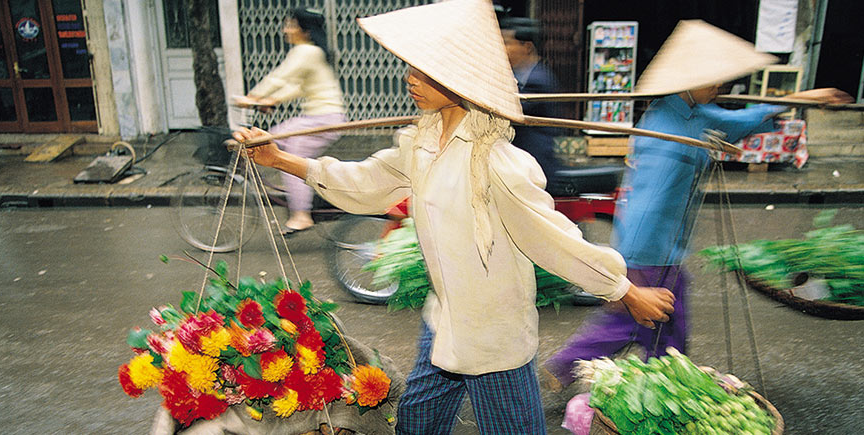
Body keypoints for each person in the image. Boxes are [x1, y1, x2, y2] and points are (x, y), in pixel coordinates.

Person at [235, 1, 675, 433]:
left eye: (425, 72)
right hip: (442, 320)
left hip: (492, 335)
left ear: (458, 80)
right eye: (411, 68)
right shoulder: (421, 143)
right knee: (417, 423)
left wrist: (623, 289)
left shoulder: (496, 161)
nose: (411, 79)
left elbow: (552, 238)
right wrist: (280, 159)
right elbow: (366, 181)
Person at [543, 19, 853, 390]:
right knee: (652, 320)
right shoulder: (677, 121)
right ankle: (635, 375)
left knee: (651, 322)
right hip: (650, 244)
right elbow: (655, 193)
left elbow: (741, 120)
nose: (718, 86)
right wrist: (628, 268)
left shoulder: (680, 114)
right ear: (688, 81)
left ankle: (646, 377)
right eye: (712, 79)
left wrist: (804, 99)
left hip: (655, 242)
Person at [234, 7, 346, 233]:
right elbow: (296, 86)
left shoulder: (306, 52)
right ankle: (303, 197)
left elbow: (280, 76)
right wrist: (271, 101)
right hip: (320, 117)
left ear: (304, 30)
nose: (286, 29)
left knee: (290, 160)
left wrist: (253, 97)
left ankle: (301, 214)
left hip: (323, 119)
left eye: (291, 24)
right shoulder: (310, 53)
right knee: (273, 138)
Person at [500, 17, 562, 181]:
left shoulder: (538, 79)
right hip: (520, 159)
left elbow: (509, 109)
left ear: (527, 47)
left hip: (535, 162)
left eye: (507, 43)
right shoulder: (518, 74)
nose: (503, 49)